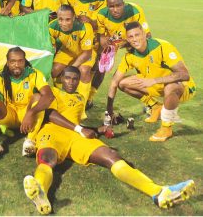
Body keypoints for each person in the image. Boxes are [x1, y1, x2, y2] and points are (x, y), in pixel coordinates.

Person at [23, 66, 195, 215]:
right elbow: (50, 114)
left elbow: (76, 122)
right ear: (61, 79)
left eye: (75, 79)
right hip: (53, 132)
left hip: (76, 136)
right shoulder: (52, 92)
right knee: (48, 159)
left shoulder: (80, 98)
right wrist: (79, 129)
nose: (71, 82)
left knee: (112, 156)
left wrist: (97, 130)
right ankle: (40, 192)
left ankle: (158, 192)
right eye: (67, 78)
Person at [106, 22, 196, 142]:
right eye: (131, 37)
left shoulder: (162, 46)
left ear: (144, 34)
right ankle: (155, 107)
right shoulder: (130, 56)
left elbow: (184, 75)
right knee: (122, 83)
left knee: (170, 87)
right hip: (155, 86)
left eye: (137, 35)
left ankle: (166, 128)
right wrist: (109, 112)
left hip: (183, 88)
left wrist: (154, 80)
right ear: (127, 39)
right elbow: (114, 83)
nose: (134, 39)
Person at [0, 47, 54, 159]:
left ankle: (30, 141)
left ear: (25, 61)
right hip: (9, 116)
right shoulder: (0, 77)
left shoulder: (34, 74)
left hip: (27, 115)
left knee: (39, 99)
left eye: (20, 61)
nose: (17, 65)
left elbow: (49, 96)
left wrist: (30, 113)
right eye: (13, 61)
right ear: (7, 63)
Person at [89, 0, 151, 110]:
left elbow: (147, 35)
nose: (115, 9)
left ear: (124, 4)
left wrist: (133, 45)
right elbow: (101, 37)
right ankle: (90, 97)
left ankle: (150, 103)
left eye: (118, 5)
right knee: (101, 65)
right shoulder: (101, 14)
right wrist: (106, 45)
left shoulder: (135, 11)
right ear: (107, 6)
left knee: (142, 65)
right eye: (111, 6)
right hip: (113, 40)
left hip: (132, 39)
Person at [49, 5, 95, 118]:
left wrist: (71, 68)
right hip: (67, 52)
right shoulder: (51, 26)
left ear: (74, 17)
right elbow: (51, 49)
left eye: (68, 19)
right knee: (54, 71)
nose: (63, 23)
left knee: (83, 71)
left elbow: (87, 53)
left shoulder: (85, 27)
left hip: (84, 53)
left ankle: (81, 107)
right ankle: (63, 101)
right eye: (60, 19)